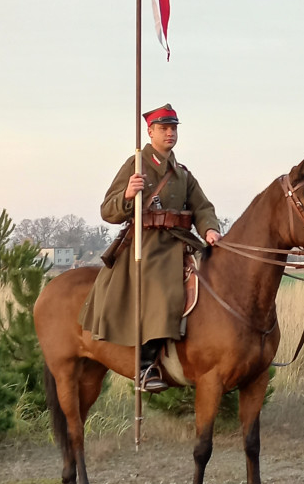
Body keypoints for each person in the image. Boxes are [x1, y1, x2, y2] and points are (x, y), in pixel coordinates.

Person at [79, 103, 221, 392]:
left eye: (173, 128)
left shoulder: (182, 173)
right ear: (150, 131)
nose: (170, 133)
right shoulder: (137, 164)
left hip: (181, 241)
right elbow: (108, 210)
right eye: (164, 128)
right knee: (160, 287)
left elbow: (202, 206)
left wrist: (209, 229)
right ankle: (145, 365)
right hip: (147, 246)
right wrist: (128, 195)